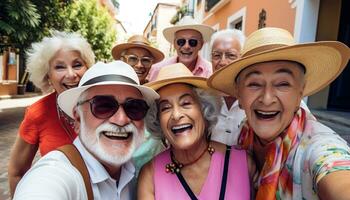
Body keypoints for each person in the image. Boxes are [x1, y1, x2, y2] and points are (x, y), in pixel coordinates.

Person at [208, 27, 350, 199]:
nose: (267, 99)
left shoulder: (320, 147)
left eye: (283, 84)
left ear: (300, 92)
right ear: (239, 92)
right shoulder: (244, 132)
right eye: (254, 84)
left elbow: (336, 172)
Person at [13, 61, 159, 199]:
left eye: (134, 108)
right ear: (78, 119)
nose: (121, 119)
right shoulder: (54, 174)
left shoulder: (134, 171)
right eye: (103, 106)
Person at [138, 63, 255, 199]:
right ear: (157, 120)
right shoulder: (150, 175)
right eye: (165, 108)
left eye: (186, 103)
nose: (176, 115)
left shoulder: (245, 164)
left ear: (204, 109)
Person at [8, 31, 95, 197]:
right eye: (60, 67)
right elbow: (17, 172)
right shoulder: (38, 113)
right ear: (48, 76)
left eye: (77, 65)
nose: (71, 74)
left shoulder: (107, 104)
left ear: (88, 68)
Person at [209, 29, 247, 145]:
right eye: (217, 55)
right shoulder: (204, 97)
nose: (223, 62)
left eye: (231, 55)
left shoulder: (254, 97)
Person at [148, 16, 214, 81]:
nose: (186, 46)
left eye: (193, 42)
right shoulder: (158, 70)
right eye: (181, 41)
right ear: (174, 44)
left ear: (201, 45)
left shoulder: (211, 72)